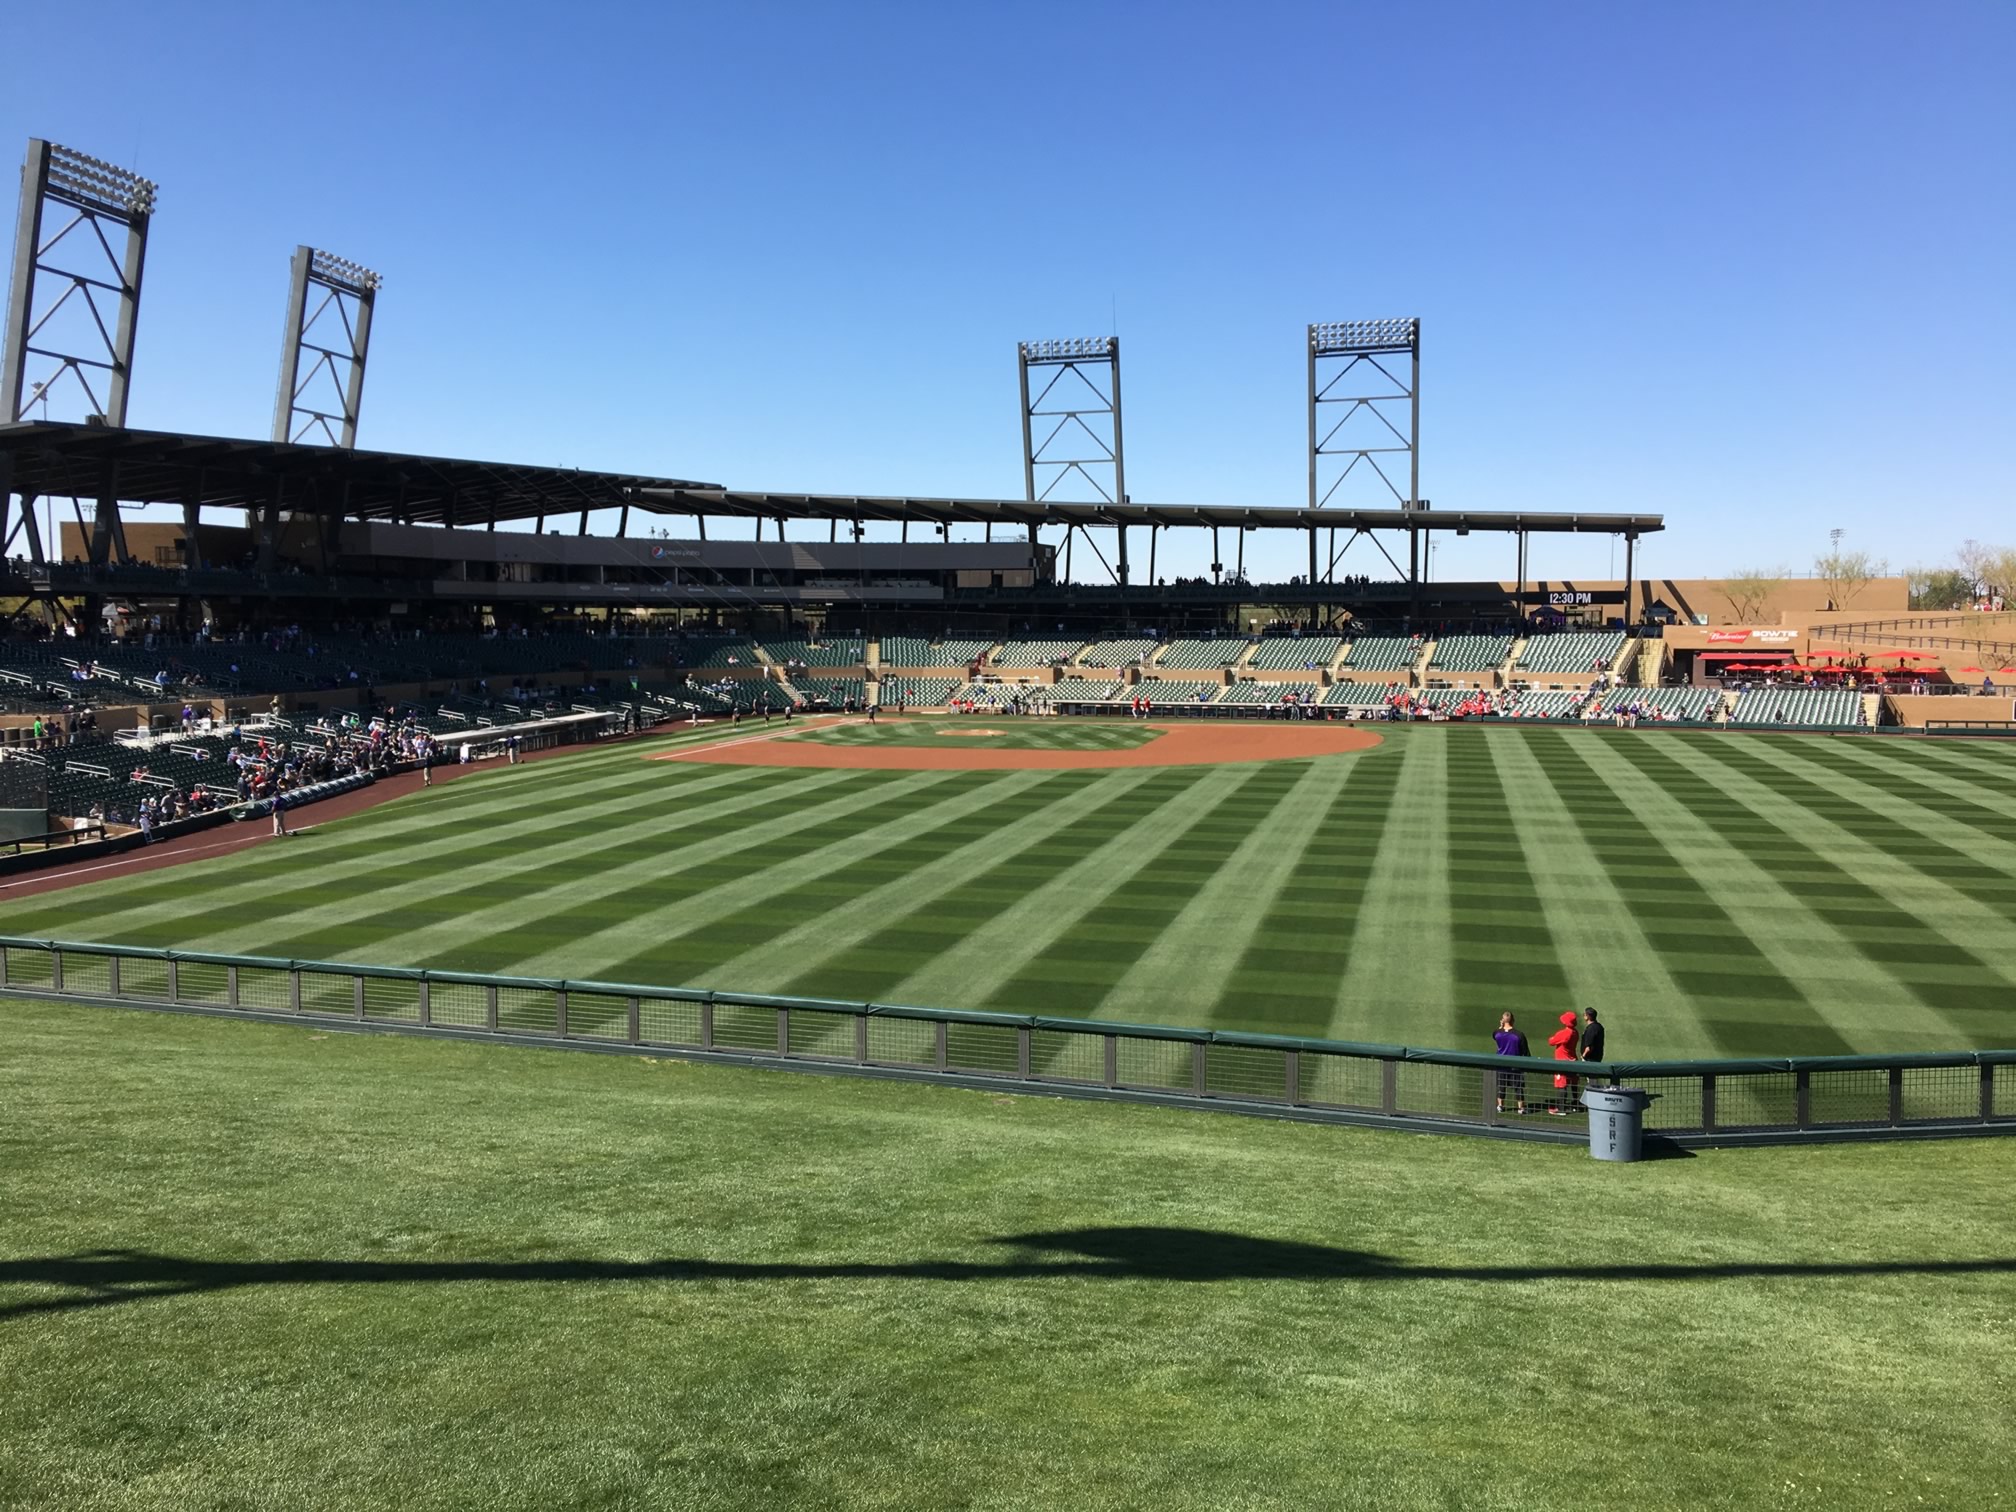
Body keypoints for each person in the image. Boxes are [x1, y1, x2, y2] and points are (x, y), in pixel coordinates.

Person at [1492, 1012, 1528, 1115]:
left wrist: (1500, 1026)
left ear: (1502, 1020)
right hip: (1515, 1065)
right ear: (1513, 1020)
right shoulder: (1519, 1035)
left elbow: (1496, 1036)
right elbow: (1525, 1051)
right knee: (1518, 1087)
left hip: (1501, 1064)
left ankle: (1500, 1106)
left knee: (1501, 1086)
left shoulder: (1496, 1033)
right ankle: (1521, 1108)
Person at [1546, 1011, 1579, 1115]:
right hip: (1573, 1060)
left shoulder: (1564, 1033)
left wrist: (1553, 1038)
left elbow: (1551, 1041)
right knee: (1573, 1084)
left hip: (1562, 1062)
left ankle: (1561, 1108)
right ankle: (1575, 1104)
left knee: (1562, 1085)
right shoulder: (1575, 1032)